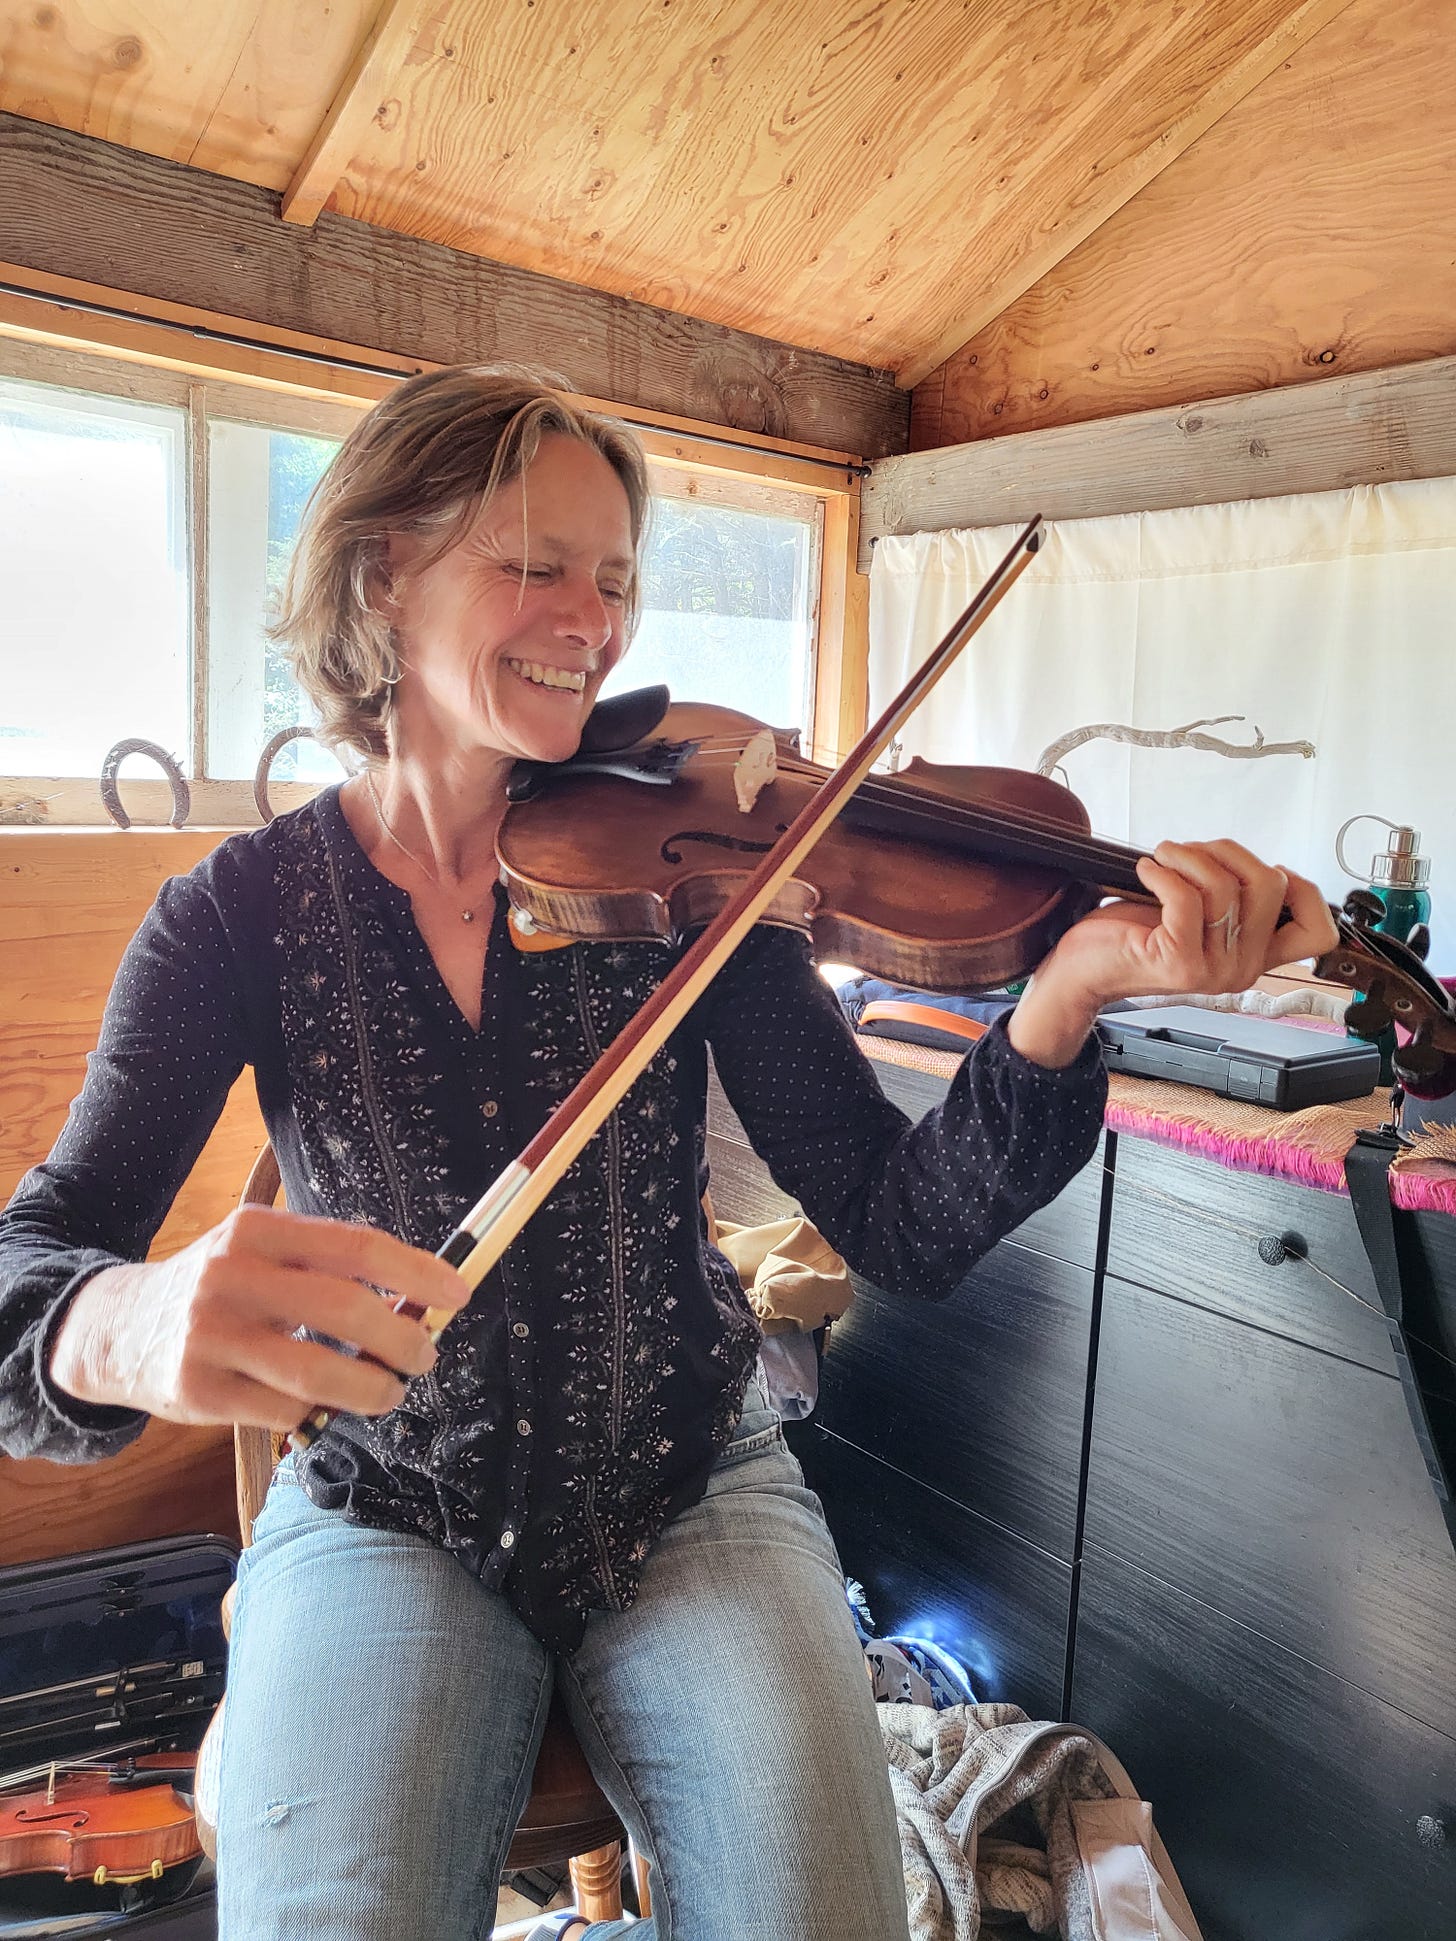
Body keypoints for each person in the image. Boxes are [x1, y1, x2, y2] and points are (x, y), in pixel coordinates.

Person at [0, 366, 1338, 1941]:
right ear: (380, 576)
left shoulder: (699, 876)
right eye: (533, 563)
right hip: (384, 1506)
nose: (595, 617)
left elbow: (896, 1223)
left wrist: (1064, 999)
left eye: (619, 576)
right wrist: (131, 1321)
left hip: (690, 1478)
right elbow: (34, 1273)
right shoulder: (235, 916)